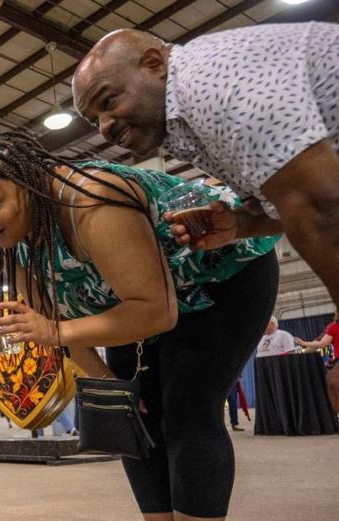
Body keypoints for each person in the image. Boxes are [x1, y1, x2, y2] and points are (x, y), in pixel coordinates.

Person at [0, 131, 278, 521]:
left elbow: (153, 310)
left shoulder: (89, 199)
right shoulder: (21, 247)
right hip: (130, 306)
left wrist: (56, 329)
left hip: (218, 280)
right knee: (136, 424)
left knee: (186, 409)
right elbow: (55, 330)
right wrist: (111, 384)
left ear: (30, 186)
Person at [71, 24, 339, 310]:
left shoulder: (209, 84)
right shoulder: (180, 126)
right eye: (93, 120)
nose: (104, 127)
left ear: (154, 64)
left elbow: (323, 211)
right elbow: (292, 206)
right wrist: (240, 224)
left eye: (109, 100)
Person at [295, 311, 339, 412]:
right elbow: (319, 342)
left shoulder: (333, 326)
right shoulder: (332, 327)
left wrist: (302, 343)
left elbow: (321, 343)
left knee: (331, 382)